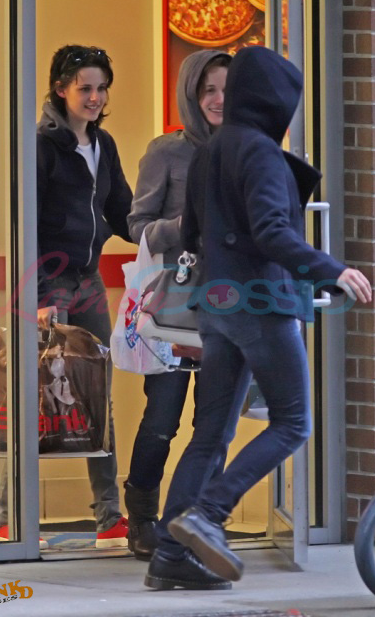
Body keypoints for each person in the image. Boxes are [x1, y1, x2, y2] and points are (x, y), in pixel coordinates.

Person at [144, 46, 372, 589]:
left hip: (216, 304)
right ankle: (210, 513)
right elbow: (272, 231)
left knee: (210, 433)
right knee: (293, 422)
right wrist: (332, 269)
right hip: (260, 303)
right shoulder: (262, 152)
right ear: (276, 101)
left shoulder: (210, 150)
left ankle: (170, 554)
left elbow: (191, 233)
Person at [0, 45, 133, 549]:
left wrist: (162, 233)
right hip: (47, 282)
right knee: (33, 396)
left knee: (97, 392)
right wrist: (40, 295)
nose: (95, 98)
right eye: (85, 88)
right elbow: (27, 224)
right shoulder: (41, 146)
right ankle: (10, 518)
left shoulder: (104, 144)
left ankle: (109, 519)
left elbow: (121, 210)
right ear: (61, 89)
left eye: (101, 88)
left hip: (89, 280)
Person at [125, 50, 232, 561]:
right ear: (191, 94)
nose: (219, 99)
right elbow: (137, 226)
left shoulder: (246, 150)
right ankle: (141, 516)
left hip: (231, 304)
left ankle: (199, 522)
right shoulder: (166, 151)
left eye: (227, 90)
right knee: (162, 419)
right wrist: (185, 226)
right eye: (208, 90)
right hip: (175, 303)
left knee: (215, 424)